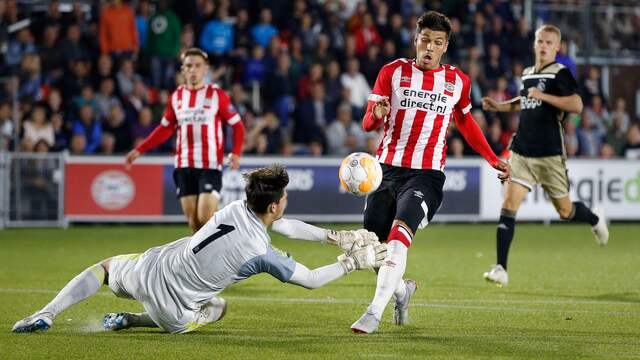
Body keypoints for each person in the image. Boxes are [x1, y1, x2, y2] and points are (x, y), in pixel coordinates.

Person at [13, 165, 387, 334]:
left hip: (153, 268)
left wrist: (332, 236)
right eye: (284, 197)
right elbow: (310, 280)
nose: (285, 203)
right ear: (273, 206)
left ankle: (45, 314)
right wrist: (351, 261)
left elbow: (284, 226)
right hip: (174, 310)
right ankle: (138, 320)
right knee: (217, 308)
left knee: (105, 267)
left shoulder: (234, 207)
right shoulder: (261, 252)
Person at [351, 11, 510, 334]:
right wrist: (376, 116)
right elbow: (368, 122)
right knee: (376, 250)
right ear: (416, 39)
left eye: (437, 43)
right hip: (386, 171)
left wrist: (492, 158)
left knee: (399, 235)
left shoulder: (457, 81)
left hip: (426, 175)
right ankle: (401, 291)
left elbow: (466, 123)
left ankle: (373, 312)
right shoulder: (392, 72)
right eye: (425, 40)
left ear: (445, 46)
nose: (429, 48)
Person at [481, 24, 609, 288]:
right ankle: (501, 268)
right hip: (522, 151)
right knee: (508, 205)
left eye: (549, 42)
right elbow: (523, 101)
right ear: (534, 43)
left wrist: (543, 95)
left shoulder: (560, 74)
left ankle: (594, 218)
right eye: (540, 41)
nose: (543, 46)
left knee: (565, 210)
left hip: (550, 154)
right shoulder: (527, 73)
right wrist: (500, 106)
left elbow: (576, 104)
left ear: (557, 47)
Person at [125, 47, 245, 233]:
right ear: (183, 69)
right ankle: (207, 259)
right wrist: (139, 149)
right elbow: (165, 129)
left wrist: (236, 153)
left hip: (209, 165)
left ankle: (232, 233)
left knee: (205, 217)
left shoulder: (217, 95)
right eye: (189, 66)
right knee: (195, 224)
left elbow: (237, 125)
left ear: (206, 69)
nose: (193, 70)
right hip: (183, 165)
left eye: (198, 66)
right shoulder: (177, 97)